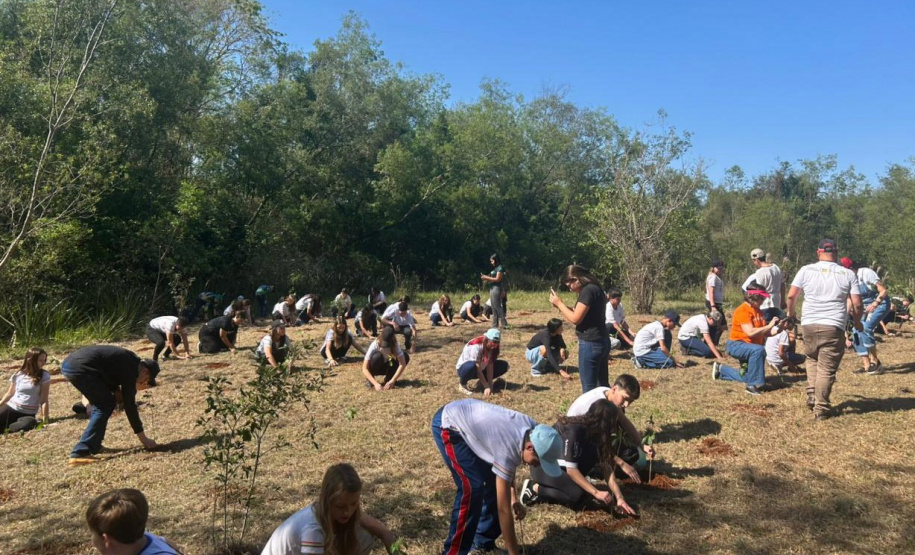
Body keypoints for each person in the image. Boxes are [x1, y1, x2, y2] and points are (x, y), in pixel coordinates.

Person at [431, 398, 562, 555]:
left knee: (495, 482)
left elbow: (507, 472)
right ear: (530, 447)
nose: (538, 465)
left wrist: (514, 499)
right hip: (449, 423)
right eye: (539, 461)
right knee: (472, 488)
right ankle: (453, 552)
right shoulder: (508, 447)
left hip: (473, 422)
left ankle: (481, 542)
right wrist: (514, 553)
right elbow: (503, 510)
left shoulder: (535, 431)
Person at [787, 239, 863, 419]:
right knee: (827, 368)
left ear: (818, 252)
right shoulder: (847, 274)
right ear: (836, 253)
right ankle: (821, 408)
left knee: (812, 359)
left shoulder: (806, 270)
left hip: (809, 323)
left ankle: (812, 395)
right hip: (833, 324)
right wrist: (858, 322)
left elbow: (791, 296)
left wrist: (791, 315)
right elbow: (857, 303)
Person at [519, 400, 636, 516]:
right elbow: (571, 470)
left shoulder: (598, 435)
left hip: (561, 468)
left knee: (583, 490)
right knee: (576, 496)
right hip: (542, 467)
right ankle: (535, 488)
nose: (615, 429)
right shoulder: (573, 431)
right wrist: (596, 493)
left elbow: (606, 466)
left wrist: (620, 498)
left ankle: (564, 485)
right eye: (613, 425)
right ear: (604, 424)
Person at [261, 463, 397, 555]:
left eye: (354, 504)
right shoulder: (312, 529)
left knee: (364, 536)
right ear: (327, 500)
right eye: (340, 506)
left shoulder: (338, 512)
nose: (347, 512)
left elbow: (384, 532)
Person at [61, 346, 159, 465]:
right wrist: (143, 438)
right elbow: (130, 407)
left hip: (70, 365)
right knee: (104, 405)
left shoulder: (130, 361)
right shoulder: (131, 371)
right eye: (146, 379)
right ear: (145, 371)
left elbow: (107, 371)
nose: (143, 383)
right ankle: (80, 452)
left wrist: (115, 389)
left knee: (104, 404)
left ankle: (94, 445)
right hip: (80, 368)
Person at [712, 281, 781, 395]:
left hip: (751, 348)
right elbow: (750, 332)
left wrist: (780, 328)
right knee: (758, 350)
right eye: (762, 298)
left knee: (748, 376)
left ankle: (722, 370)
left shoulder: (758, 311)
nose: (763, 301)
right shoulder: (742, 310)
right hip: (737, 345)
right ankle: (752, 386)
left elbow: (765, 332)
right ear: (754, 297)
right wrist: (769, 325)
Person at [549, 265, 610, 393]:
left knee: (589, 389)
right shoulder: (595, 288)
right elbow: (580, 312)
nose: (570, 289)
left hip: (591, 343)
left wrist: (559, 303)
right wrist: (562, 307)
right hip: (602, 340)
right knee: (602, 386)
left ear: (576, 279)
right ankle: (608, 412)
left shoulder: (587, 291)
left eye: (569, 285)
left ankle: (591, 412)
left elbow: (576, 319)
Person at [85, 488, 180, 555]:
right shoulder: (144, 537)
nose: (92, 542)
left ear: (106, 540)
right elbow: (173, 545)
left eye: (92, 534)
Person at [841, 258, 890, 375]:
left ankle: (875, 361)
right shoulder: (846, 279)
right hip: (863, 307)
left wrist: (875, 303)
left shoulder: (866, 273)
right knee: (856, 332)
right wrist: (845, 315)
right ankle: (867, 365)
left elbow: (883, 291)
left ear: (851, 268)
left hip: (879, 304)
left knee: (866, 327)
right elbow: (849, 299)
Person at [0, 347, 50, 433]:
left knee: (27, 424)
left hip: (28, 414)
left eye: (44, 360)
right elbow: (9, 393)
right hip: (11, 408)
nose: (43, 363)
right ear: (30, 360)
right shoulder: (19, 374)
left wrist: (45, 419)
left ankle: (7, 427)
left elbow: (44, 399)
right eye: (40, 360)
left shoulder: (44, 375)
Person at [457, 328, 509, 396]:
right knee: (471, 366)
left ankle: (484, 382)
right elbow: (477, 367)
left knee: (504, 366)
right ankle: (462, 385)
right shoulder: (476, 346)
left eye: (497, 342)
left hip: (481, 367)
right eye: (493, 342)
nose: (495, 345)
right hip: (466, 369)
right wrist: (486, 386)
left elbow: (490, 365)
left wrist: (490, 385)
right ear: (487, 339)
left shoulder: (494, 347)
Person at [741, 249, 786, 323]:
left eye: (754, 261)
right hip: (777, 300)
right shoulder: (776, 267)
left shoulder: (760, 272)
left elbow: (760, 290)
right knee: (776, 324)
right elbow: (782, 284)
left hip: (765, 304)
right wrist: (783, 300)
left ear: (756, 260)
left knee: (766, 324)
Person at [362, 326, 409, 391]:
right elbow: (364, 368)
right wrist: (375, 384)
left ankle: (389, 378)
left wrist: (393, 380)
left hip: (388, 366)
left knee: (405, 356)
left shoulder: (395, 345)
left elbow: (402, 364)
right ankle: (370, 379)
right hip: (377, 367)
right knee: (377, 357)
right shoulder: (375, 344)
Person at [480, 253, 508, 329]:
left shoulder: (500, 268)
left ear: (495, 260)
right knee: (493, 307)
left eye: (492, 261)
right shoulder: (495, 269)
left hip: (496, 288)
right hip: (492, 288)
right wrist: (485, 277)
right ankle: (495, 324)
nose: (491, 262)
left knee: (498, 306)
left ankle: (504, 324)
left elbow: (497, 279)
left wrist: (486, 278)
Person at [705, 260, 727, 344]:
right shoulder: (713, 277)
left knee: (720, 324)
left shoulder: (717, 277)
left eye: (721, 268)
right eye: (718, 268)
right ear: (714, 268)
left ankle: (713, 341)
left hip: (718, 303)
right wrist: (713, 306)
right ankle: (711, 342)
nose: (720, 269)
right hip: (713, 303)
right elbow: (711, 292)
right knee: (719, 323)